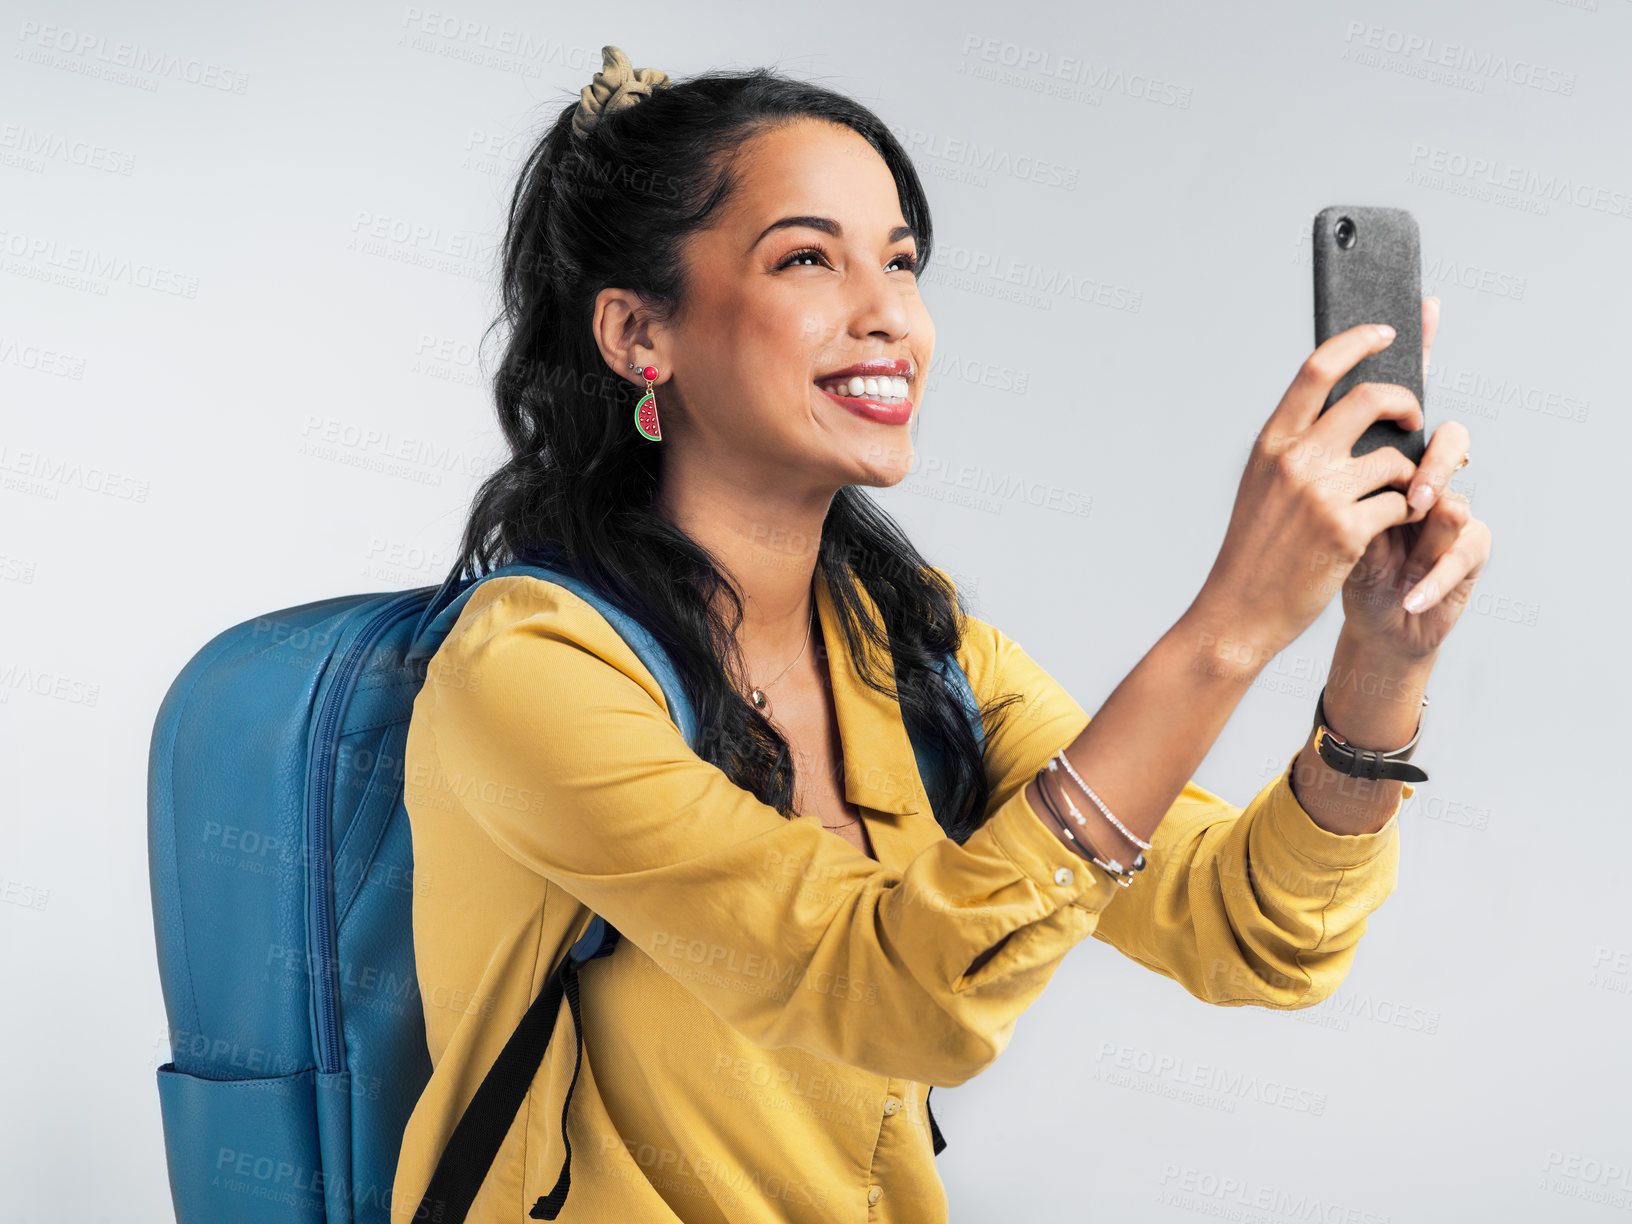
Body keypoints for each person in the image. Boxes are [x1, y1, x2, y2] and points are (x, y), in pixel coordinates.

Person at [390, 46, 1490, 1224]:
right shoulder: (532, 670)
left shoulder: (914, 653)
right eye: (808, 257)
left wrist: (1384, 658)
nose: (889, 317)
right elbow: (887, 992)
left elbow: (1250, 932)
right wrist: (1229, 627)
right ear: (637, 336)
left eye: (903, 263)